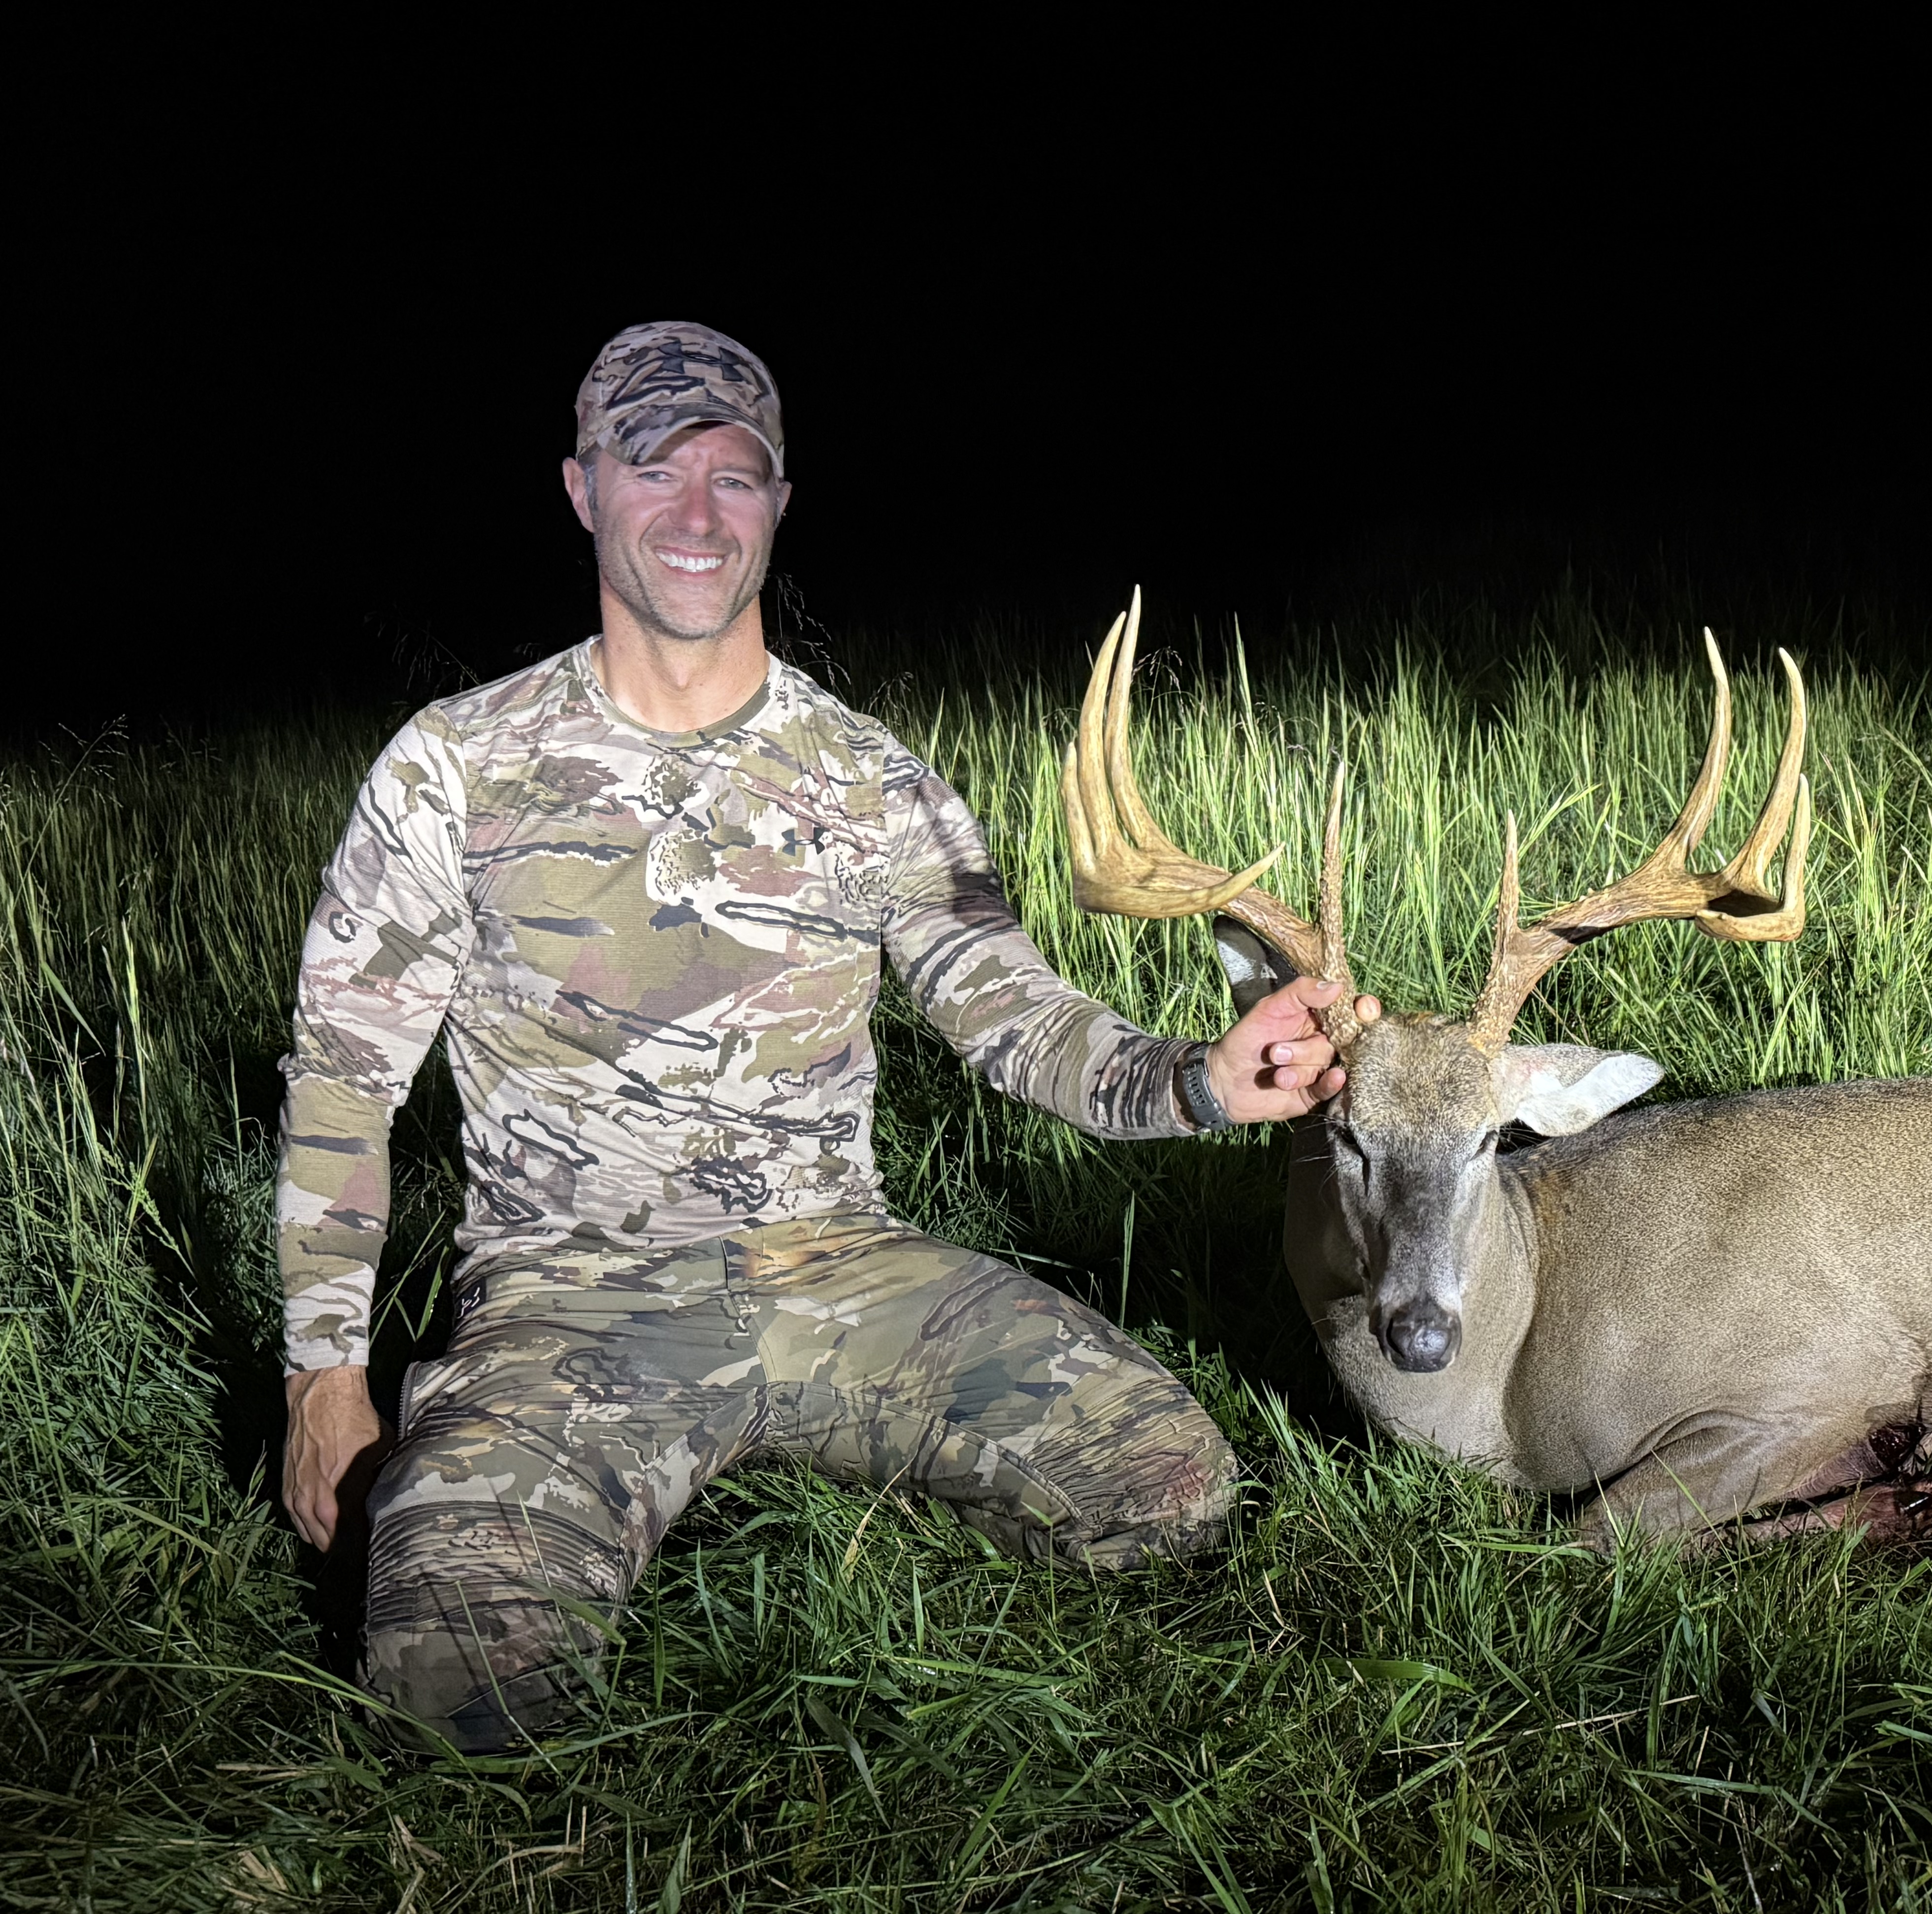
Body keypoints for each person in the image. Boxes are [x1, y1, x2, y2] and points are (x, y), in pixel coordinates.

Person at [278, 321, 1350, 1749]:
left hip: (842, 1271)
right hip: (569, 1301)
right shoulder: (456, 766)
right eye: (653, 469)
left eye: (735, 475)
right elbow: (343, 1083)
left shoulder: (872, 779)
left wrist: (1202, 1080)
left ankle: (902, 1669)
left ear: (779, 502)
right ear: (582, 488)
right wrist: (324, 1379)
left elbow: (1016, 1017)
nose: (698, 513)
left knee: (1172, 1487)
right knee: (454, 1683)